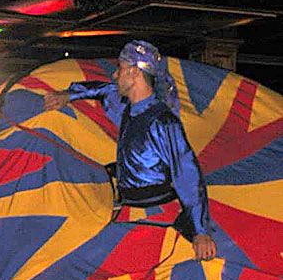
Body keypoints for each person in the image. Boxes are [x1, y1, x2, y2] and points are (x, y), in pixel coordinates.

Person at [44, 40, 216, 262]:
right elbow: (104, 90)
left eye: (121, 69)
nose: (116, 75)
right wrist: (68, 95)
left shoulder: (162, 121)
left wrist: (201, 232)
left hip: (156, 217)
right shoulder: (129, 108)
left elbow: (187, 174)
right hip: (130, 210)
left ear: (135, 72)